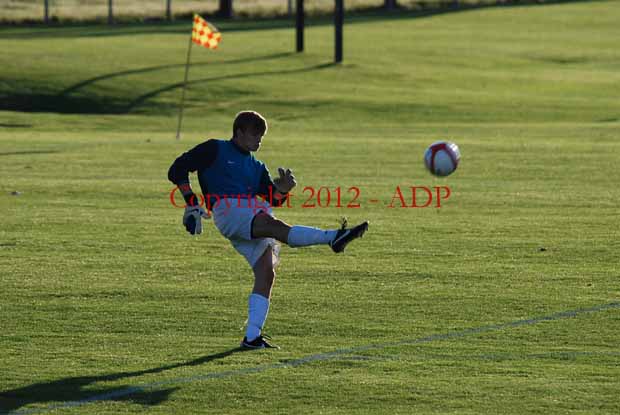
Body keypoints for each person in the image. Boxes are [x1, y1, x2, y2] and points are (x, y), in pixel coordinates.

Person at [168, 111, 369, 349]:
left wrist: (283, 189)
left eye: (261, 136)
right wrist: (191, 201)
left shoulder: (257, 166)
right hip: (228, 210)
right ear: (239, 132)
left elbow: (273, 199)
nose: (259, 140)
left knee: (266, 273)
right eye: (255, 134)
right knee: (274, 227)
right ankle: (333, 237)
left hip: (250, 212)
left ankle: (252, 337)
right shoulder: (215, 148)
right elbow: (177, 169)